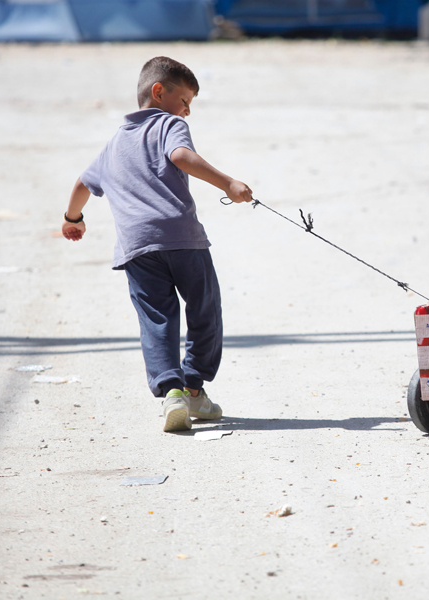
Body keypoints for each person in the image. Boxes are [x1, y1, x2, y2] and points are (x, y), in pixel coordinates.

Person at [61, 56, 253, 433]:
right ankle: (194, 388)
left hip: (137, 247)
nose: (187, 111)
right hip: (182, 238)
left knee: (157, 319)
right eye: (185, 101)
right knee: (204, 309)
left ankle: (172, 395)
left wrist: (72, 219)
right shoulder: (168, 124)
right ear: (159, 91)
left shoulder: (114, 143)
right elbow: (181, 157)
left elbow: (83, 184)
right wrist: (228, 183)